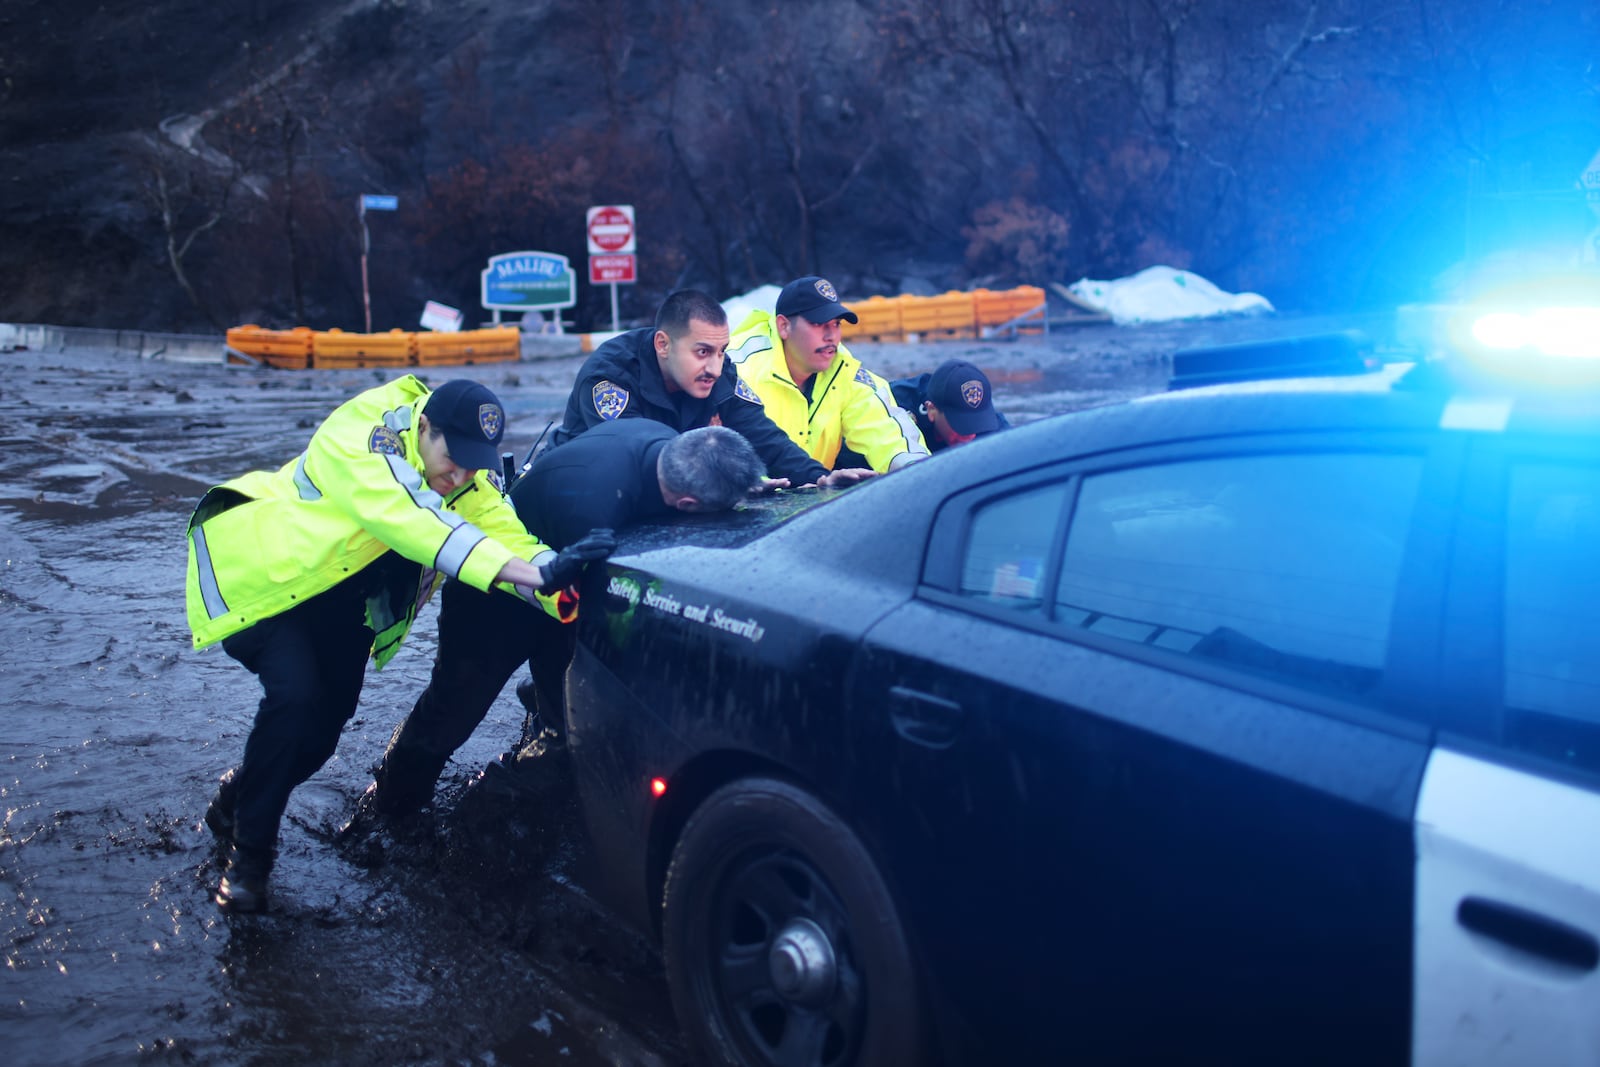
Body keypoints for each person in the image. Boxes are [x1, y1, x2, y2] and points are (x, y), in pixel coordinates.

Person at [185, 375, 616, 913]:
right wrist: (522, 571)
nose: (458, 473)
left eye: (473, 463)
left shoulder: (465, 482)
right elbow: (411, 520)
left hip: (341, 607)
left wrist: (564, 584)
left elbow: (511, 542)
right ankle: (250, 863)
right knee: (293, 700)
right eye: (451, 455)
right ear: (425, 426)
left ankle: (237, 801)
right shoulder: (365, 434)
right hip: (271, 584)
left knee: (322, 733)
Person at [359, 420, 768, 819]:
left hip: (566, 584)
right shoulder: (589, 507)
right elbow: (604, 617)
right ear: (687, 505)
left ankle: (523, 767)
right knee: (451, 714)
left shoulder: (665, 443)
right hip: (495, 601)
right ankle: (391, 808)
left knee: (567, 725)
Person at [547, 288, 870, 490]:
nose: (715, 368)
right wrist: (729, 482)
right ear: (663, 344)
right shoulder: (610, 377)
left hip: (664, 488)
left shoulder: (719, 371)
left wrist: (819, 478)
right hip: (579, 486)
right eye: (702, 352)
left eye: (721, 351)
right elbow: (637, 461)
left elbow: (764, 437)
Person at [727, 275, 930, 472]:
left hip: (814, 494)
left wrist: (916, 472)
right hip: (746, 499)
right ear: (784, 326)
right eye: (818, 324)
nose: (831, 336)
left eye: (836, 324)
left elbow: (886, 432)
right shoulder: (738, 368)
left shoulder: (844, 370)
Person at [891, 359, 1010, 452]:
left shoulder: (996, 429)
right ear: (932, 410)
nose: (971, 436)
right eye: (961, 425)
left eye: (977, 422)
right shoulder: (896, 402)